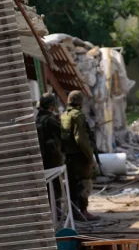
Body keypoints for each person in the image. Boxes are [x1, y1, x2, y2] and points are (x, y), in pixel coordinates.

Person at [61, 90, 98, 220]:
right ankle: (83, 210)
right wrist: (90, 157)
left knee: (72, 185)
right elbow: (81, 139)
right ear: (80, 101)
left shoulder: (64, 115)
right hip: (80, 157)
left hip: (69, 157)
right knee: (85, 183)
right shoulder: (78, 116)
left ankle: (74, 211)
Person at [35, 94, 64, 171]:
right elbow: (63, 136)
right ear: (52, 107)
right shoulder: (51, 120)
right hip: (54, 160)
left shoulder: (37, 119)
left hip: (42, 160)